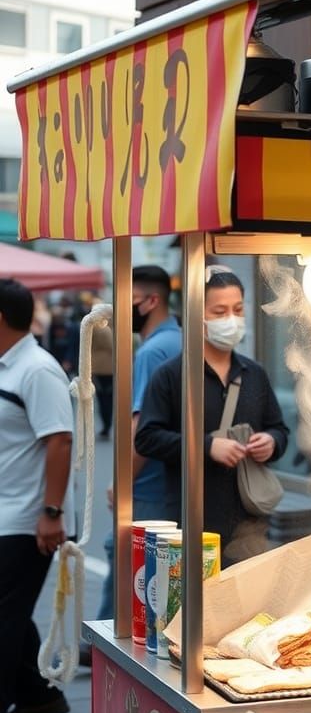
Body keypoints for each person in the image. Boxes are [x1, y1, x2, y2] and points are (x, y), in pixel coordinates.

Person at [135, 267, 289, 564]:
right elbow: (146, 438)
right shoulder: (170, 375)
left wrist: (271, 441)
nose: (231, 319)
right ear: (197, 316)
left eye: (238, 310)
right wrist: (207, 446)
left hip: (249, 524)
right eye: (219, 311)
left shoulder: (254, 373)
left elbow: (278, 428)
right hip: (189, 523)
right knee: (192, 608)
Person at [0, 278, 74, 713]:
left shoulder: (36, 368)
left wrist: (51, 511)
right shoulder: (7, 367)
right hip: (6, 512)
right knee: (10, 610)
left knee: (4, 615)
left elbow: (60, 440)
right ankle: (37, 694)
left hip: (26, 519)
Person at [91, 266, 182, 631]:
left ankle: (102, 643)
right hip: (171, 482)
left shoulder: (153, 351)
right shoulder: (179, 340)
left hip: (147, 487)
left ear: (151, 300)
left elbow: (141, 426)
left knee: (132, 576)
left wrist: (122, 482)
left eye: (127, 300)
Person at [90, 315, 113, 439]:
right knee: (108, 398)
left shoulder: (94, 328)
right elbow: (111, 345)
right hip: (108, 367)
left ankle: (106, 425)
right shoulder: (105, 330)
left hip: (98, 367)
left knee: (102, 398)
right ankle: (107, 424)